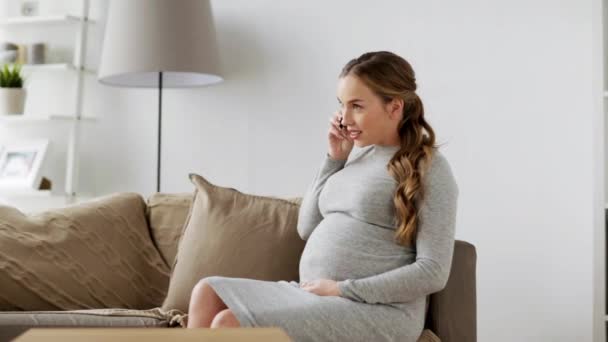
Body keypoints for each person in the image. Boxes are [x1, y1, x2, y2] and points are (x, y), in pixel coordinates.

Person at [186, 51, 459, 342]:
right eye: (342, 105)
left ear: (394, 108)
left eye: (357, 106)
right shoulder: (356, 156)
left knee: (230, 323)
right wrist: (334, 159)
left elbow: (433, 272)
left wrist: (343, 289)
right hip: (319, 295)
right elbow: (307, 227)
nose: (344, 118)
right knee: (208, 291)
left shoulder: (429, 167)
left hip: (377, 309)